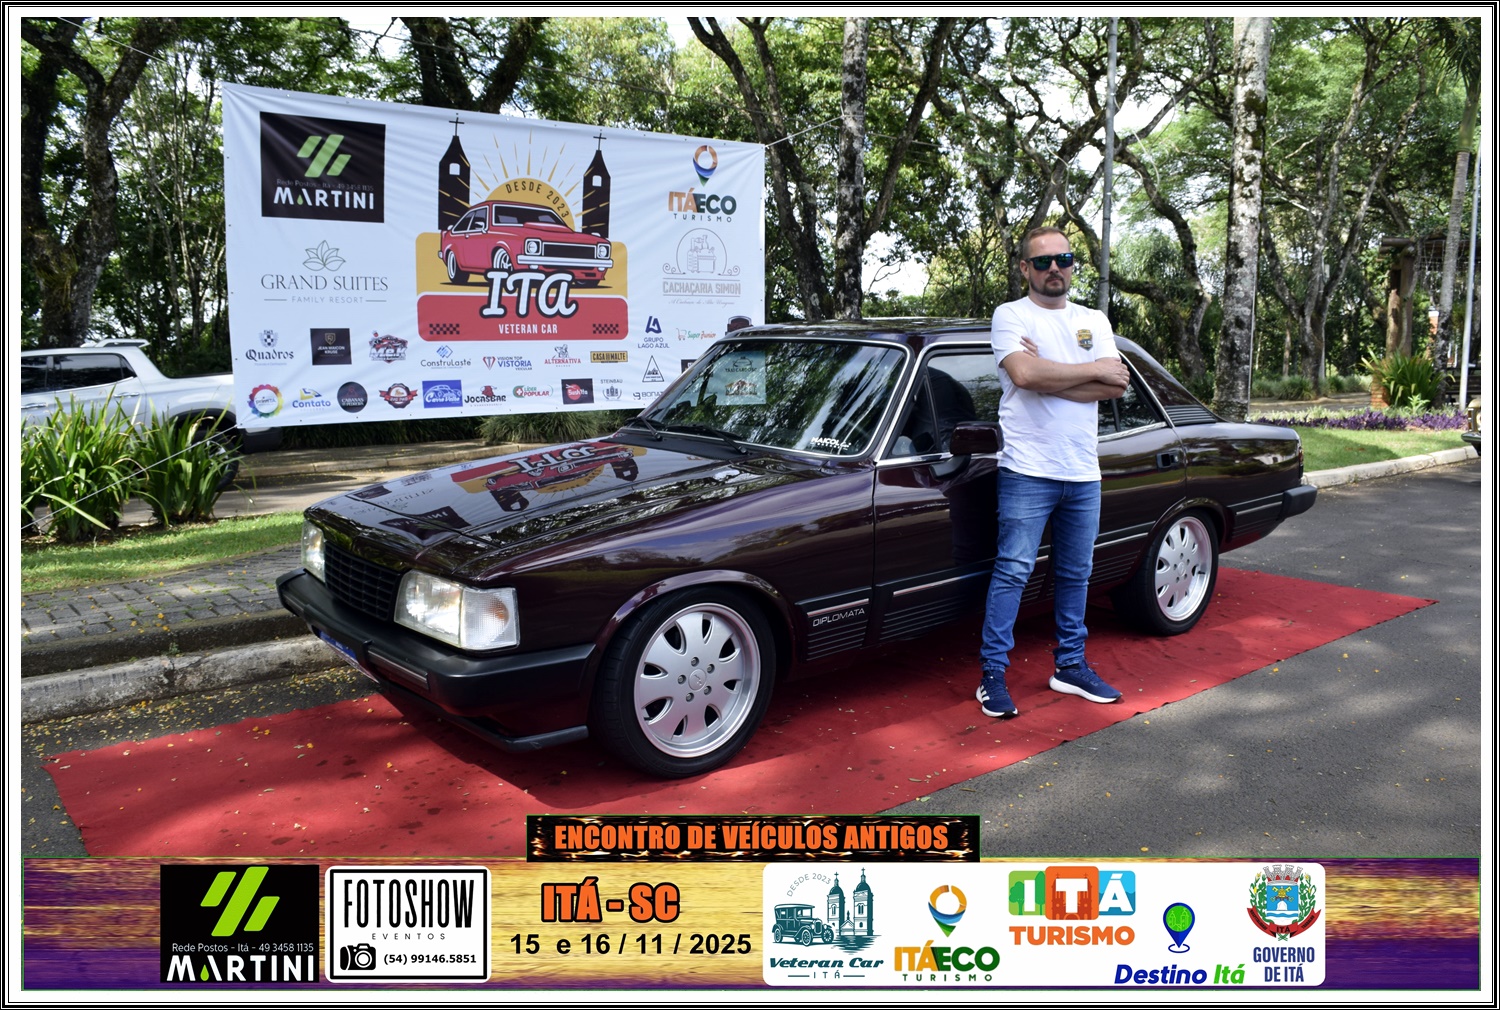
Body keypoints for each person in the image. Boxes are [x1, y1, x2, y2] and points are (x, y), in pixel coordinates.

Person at [977, 227, 1130, 718]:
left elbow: (1116, 384)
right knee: (1013, 572)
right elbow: (1023, 375)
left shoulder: (1093, 318)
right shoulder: (1011, 315)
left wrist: (1049, 372)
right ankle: (992, 676)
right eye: (1043, 262)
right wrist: (1084, 370)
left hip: (1083, 470)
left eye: (1063, 259)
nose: (1055, 269)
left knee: (1075, 573)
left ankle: (1070, 666)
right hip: (1027, 469)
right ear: (1026, 268)